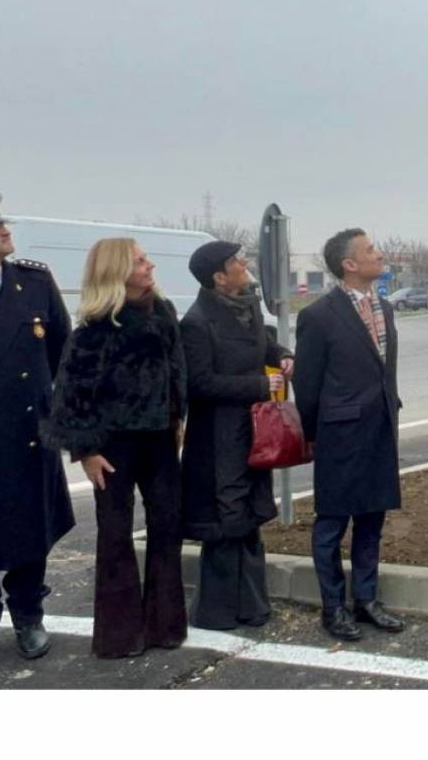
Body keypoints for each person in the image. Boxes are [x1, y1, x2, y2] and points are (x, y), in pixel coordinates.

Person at [43, 238, 188, 658]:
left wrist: (178, 418)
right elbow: (71, 394)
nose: (150, 266)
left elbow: (177, 371)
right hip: (113, 447)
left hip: (161, 440)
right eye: (141, 261)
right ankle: (119, 636)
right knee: (115, 537)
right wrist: (86, 451)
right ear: (118, 269)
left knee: (167, 530)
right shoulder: (95, 326)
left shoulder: (163, 313)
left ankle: (165, 626)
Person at [0, 190, 75, 670]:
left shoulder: (33, 282)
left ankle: (29, 614)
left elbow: (62, 355)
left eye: (2, 222)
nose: (5, 230)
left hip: (27, 432)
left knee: (30, 528)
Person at [293, 229, 405, 641]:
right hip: (339, 435)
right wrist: (313, 434)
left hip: (379, 430)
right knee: (332, 524)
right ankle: (333, 607)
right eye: (370, 250)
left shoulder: (385, 308)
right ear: (349, 264)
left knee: (372, 520)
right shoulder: (319, 316)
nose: (379, 253)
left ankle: (367, 600)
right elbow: (306, 384)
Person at [179, 241, 293, 631]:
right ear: (218, 277)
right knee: (226, 522)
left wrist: (282, 356)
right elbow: (201, 383)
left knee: (250, 516)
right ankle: (217, 611)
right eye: (236, 263)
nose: (244, 266)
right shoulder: (196, 322)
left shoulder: (247, 306)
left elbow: (265, 344)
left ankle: (253, 605)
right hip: (218, 440)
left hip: (254, 432)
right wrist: (260, 385)